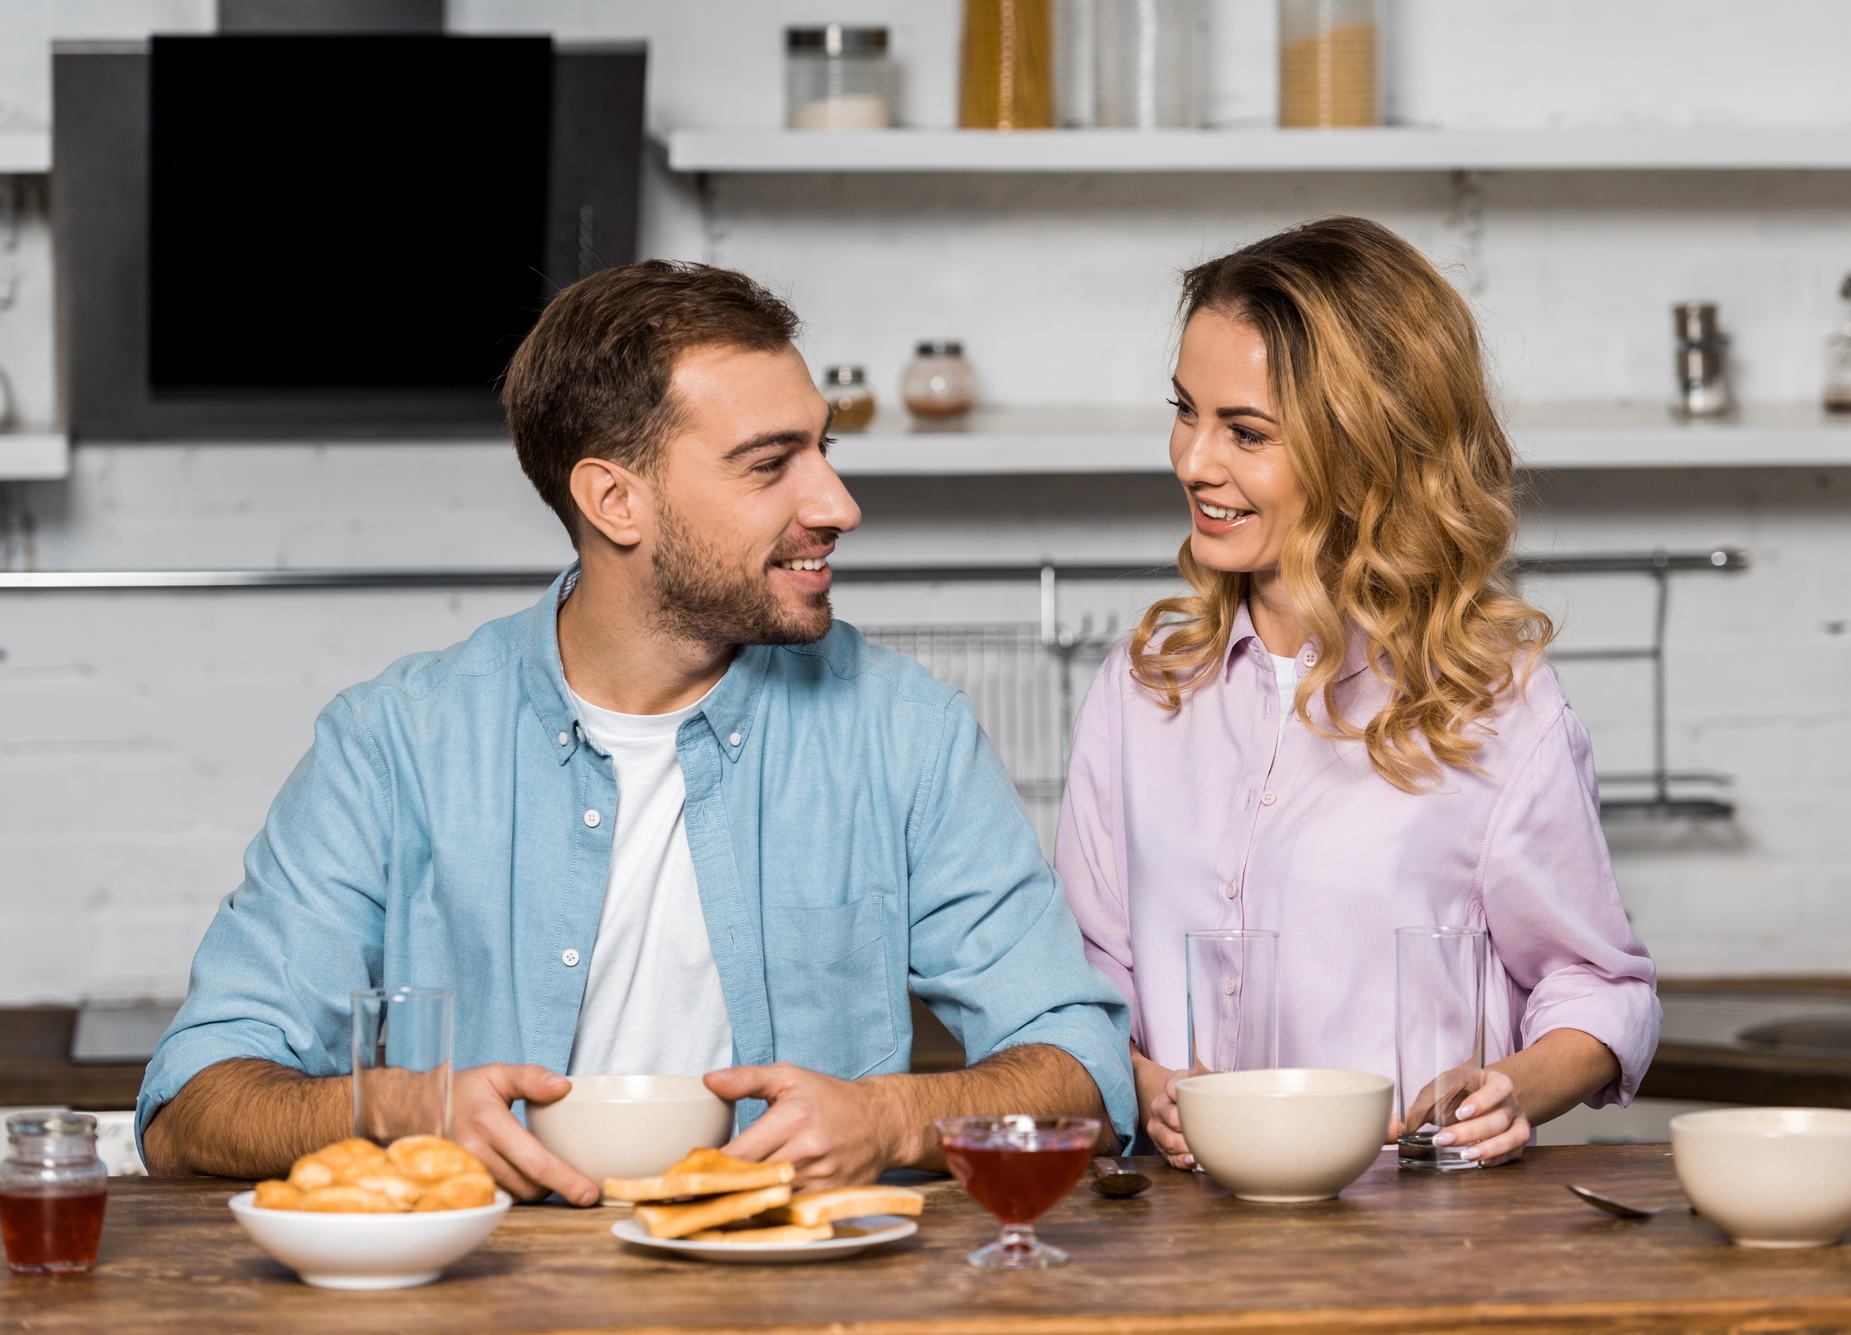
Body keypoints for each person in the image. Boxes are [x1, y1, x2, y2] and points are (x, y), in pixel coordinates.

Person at [138, 261, 1134, 1200]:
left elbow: (1082, 1070)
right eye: (767, 465)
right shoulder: (393, 746)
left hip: (797, 1298)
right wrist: (405, 1110)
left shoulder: (905, 734)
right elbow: (190, 1107)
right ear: (614, 499)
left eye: (824, 449)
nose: (836, 503)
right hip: (483, 1300)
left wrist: (890, 1117)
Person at [1055, 217, 1660, 1170]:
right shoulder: (1140, 693)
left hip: (1418, 1232)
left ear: (1364, 449)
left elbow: (1598, 983)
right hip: (1182, 1242)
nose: (1192, 460)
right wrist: (1144, 1090)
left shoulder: (1496, 708)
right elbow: (1085, 981)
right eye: (1186, 409)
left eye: (1246, 431)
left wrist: (1516, 1087)